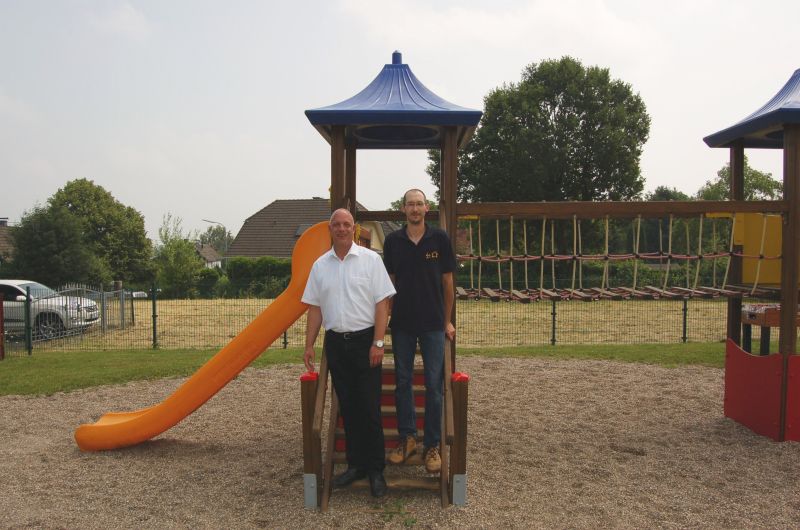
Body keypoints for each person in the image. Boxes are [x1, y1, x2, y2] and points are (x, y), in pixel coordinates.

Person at [302, 208, 396, 498]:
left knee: (369, 408)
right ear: (330, 230)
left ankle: (376, 470)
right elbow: (315, 309)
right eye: (336, 225)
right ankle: (356, 465)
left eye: (346, 224)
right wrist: (309, 344)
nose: (341, 229)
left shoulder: (370, 261)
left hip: (365, 342)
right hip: (336, 345)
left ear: (354, 229)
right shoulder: (319, 266)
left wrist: (378, 343)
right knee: (349, 408)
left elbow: (383, 304)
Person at [382, 189, 456, 474]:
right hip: (401, 323)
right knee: (403, 382)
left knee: (434, 387)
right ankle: (408, 438)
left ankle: (432, 446)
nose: (415, 209)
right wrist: (385, 316)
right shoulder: (393, 242)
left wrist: (446, 320)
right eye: (410, 204)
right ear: (403, 209)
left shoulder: (440, 239)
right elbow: (389, 284)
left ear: (427, 208)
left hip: (433, 324)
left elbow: (448, 283)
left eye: (419, 204)